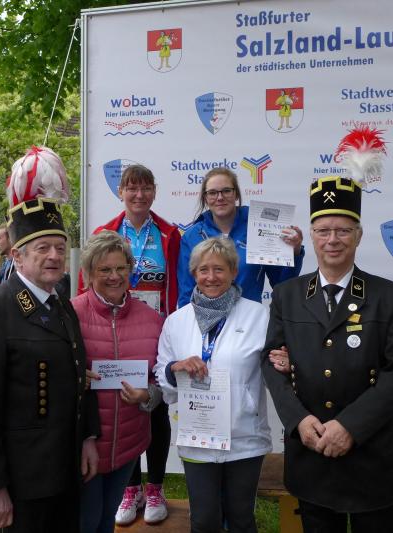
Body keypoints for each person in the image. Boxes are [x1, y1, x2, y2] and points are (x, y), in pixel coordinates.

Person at [261, 176, 393, 533]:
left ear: (359, 236)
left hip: (370, 455)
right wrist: (298, 421)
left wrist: (350, 427)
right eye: (323, 230)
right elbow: (271, 363)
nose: (333, 240)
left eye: (343, 230)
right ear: (312, 235)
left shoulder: (390, 297)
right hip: (311, 451)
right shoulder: (287, 295)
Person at [0, 146, 99, 532]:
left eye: (59, 247)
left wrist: (88, 437)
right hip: (21, 482)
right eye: (42, 248)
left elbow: (79, 377)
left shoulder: (62, 304)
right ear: (17, 257)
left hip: (65, 471)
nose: (54, 256)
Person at [78, 164, 177, 525]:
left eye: (145, 188)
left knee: (155, 408)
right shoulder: (104, 232)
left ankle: (156, 487)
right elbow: (86, 283)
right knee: (116, 401)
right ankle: (130, 489)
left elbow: (179, 284)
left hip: (153, 328)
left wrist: (175, 328)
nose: (139, 195)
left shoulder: (169, 233)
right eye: (131, 188)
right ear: (120, 192)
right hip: (110, 324)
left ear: (154, 191)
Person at [156, 237, 271, 533]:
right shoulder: (176, 322)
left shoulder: (258, 316)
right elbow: (162, 377)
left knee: (241, 518)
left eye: (219, 269)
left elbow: (275, 369)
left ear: (234, 272)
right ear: (194, 274)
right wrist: (174, 369)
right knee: (204, 519)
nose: (211, 277)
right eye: (203, 270)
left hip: (244, 436)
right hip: (198, 436)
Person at [72, 231, 164, 533]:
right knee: (86, 523)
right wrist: (74, 378)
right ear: (89, 273)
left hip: (128, 445)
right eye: (105, 269)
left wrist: (147, 396)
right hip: (84, 446)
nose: (114, 276)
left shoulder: (152, 319)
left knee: (106, 522)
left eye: (121, 268)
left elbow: (160, 380)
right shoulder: (70, 314)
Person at [178, 167, 304, 307]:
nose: (220, 197)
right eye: (212, 193)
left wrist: (294, 252)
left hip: (250, 317)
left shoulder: (260, 227)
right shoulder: (191, 237)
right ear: (205, 198)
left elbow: (282, 284)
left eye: (226, 191)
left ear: (236, 194)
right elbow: (186, 293)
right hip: (205, 318)